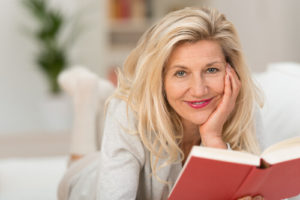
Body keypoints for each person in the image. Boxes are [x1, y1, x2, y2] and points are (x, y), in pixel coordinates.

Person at [58, 7, 265, 200]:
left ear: (231, 71)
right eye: (181, 73)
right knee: (79, 161)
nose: (199, 90)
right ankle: (86, 96)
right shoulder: (128, 113)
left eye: (211, 70)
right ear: (161, 80)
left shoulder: (240, 106)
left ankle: (99, 95)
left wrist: (213, 139)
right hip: (85, 181)